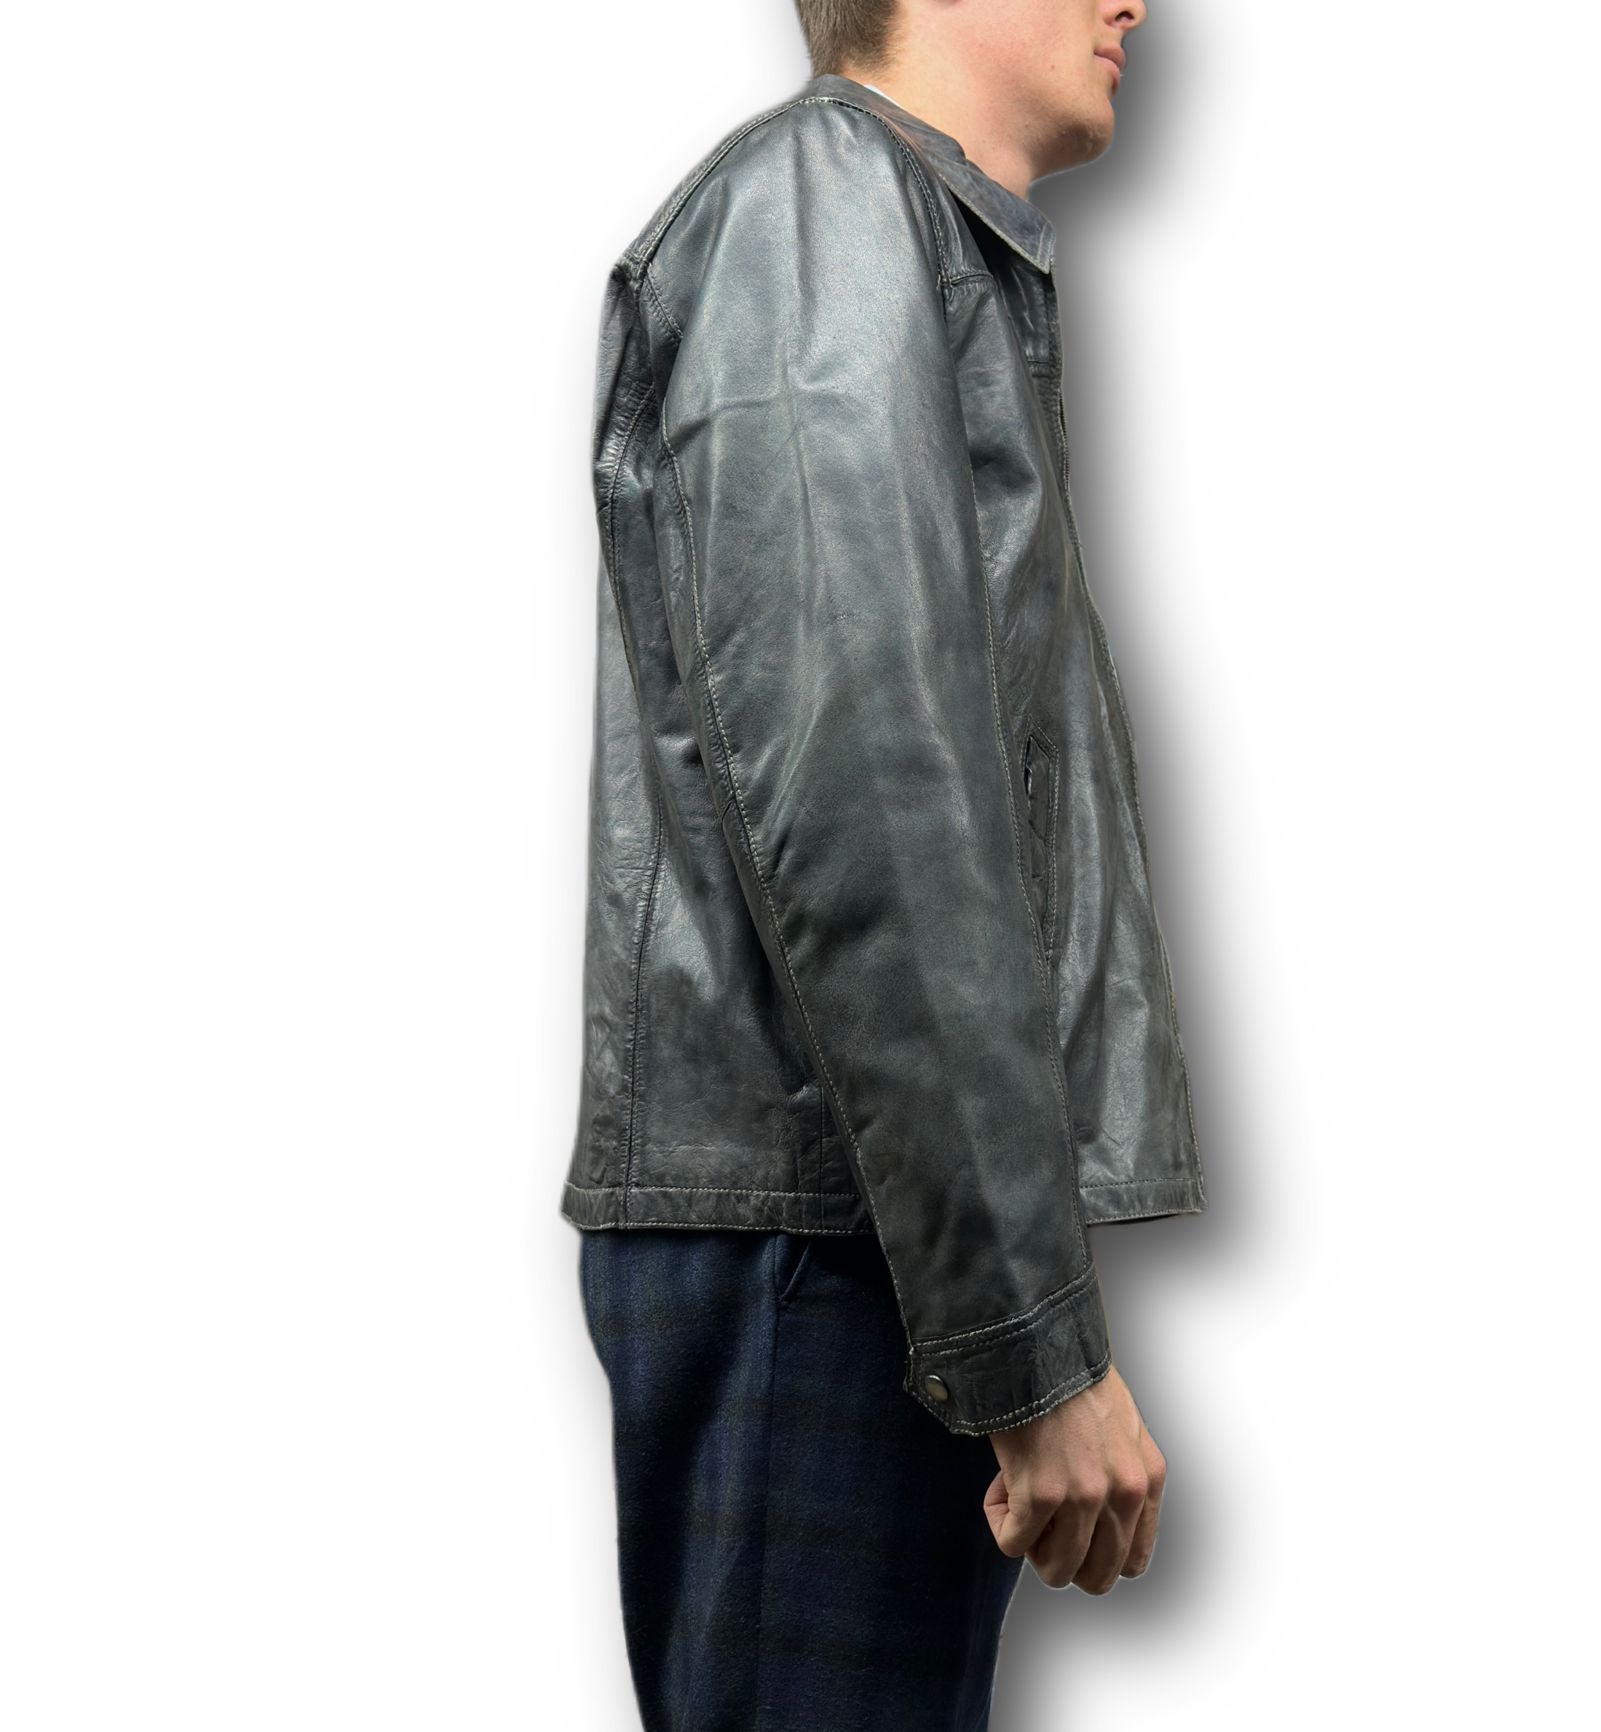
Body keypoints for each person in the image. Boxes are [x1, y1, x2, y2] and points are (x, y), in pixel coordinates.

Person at [566, 3, 1206, 1725]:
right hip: (824, 1242)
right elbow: (875, 792)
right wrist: (1028, 1348)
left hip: (867, 1232)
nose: (1135, 0)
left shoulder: (886, 229)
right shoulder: (820, 215)